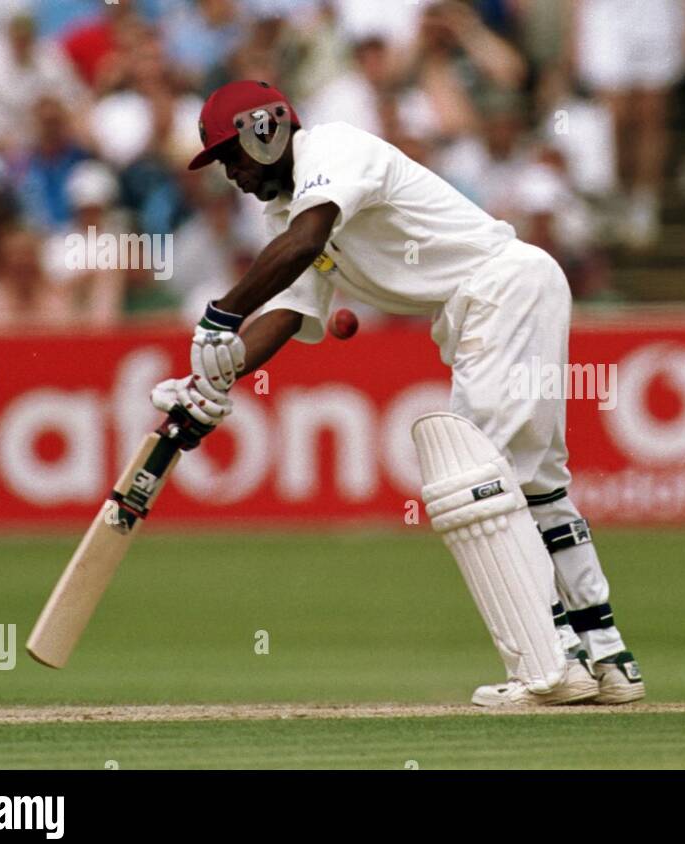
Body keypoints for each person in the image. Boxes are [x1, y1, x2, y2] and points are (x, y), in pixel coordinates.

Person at [150, 80, 644, 707]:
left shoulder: (331, 151)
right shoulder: (289, 212)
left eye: (233, 156)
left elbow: (303, 244)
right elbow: (287, 312)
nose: (233, 175)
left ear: (265, 130)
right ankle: (607, 657)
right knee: (537, 486)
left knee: (476, 478)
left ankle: (551, 663)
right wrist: (212, 380)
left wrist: (218, 316)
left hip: (500, 291)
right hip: (503, 299)